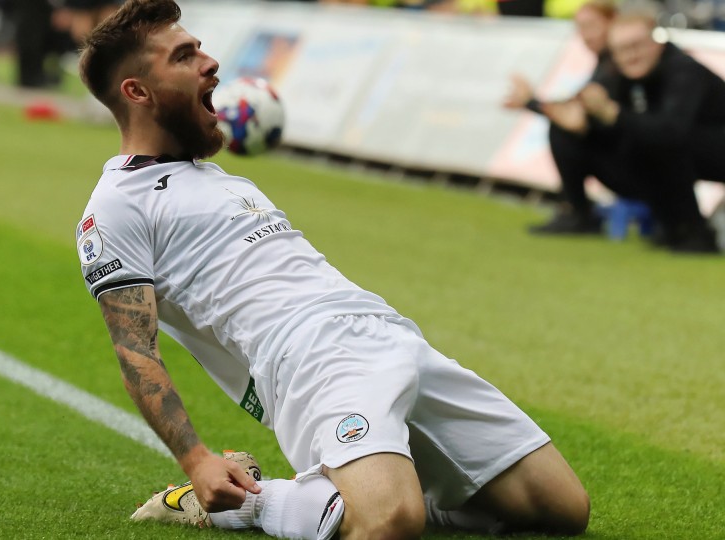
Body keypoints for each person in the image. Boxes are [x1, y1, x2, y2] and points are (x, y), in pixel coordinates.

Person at [75, 1, 590, 538]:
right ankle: (241, 502)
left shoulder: (219, 178)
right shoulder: (116, 204)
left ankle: (371, 489)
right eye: (185, 56)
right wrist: (198, 461)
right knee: (389, 522)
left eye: (200, 47)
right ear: (137, 92)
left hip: (387, 330)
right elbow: (137, 352)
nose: (211, 62)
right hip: (309, 356)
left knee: (561, 509)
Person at [527, 2, 725, 252]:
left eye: (637, 46)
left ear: (656, 40)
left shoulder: (684, 70)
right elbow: (582, 113)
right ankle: (579, 214)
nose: (631, 56)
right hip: (666, 161)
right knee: (569, 133)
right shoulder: (616, 74)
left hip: (712, 152)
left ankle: (692, 230)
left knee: (661, 141)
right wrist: (545, 109)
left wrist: (613, 114)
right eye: (621, 50)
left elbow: (671, 132)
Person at [504, 0, 620, 235]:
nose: (585, 36)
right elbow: (575, 109)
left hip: (637, 162)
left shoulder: (616, 64)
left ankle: (579, 213)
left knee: (562, 132)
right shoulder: (606, 62)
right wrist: (532, 102)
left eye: (591, 26)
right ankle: (576, 211)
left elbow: (575, 117)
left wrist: (530, 102)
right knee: (561, 129)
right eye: (580, 28)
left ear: (612, 23)